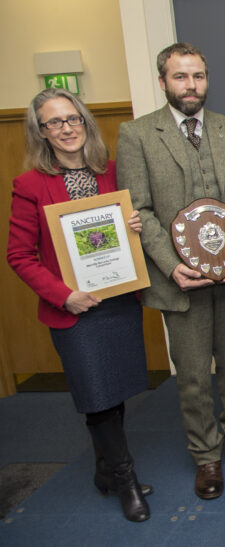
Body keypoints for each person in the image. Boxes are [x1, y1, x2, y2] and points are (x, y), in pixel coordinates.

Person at [117, 42, 225, 501]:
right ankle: (206, 455)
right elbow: (140, 210)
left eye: (198, 76)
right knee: (192, 375)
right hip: (180, 284)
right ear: (163, 81)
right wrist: (172, 268)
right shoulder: (137, 135)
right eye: (180, 77)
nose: (191, 86)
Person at [8, 88, 151, 522]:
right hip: (75, 310)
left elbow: (126, 227)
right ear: (41, 132)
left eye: (73, 119)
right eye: (54, 122)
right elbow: (19, 256)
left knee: (114, 392)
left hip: (118, 301)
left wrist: (134, 223)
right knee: (97, 397)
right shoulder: (30, 185)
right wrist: (62, 295)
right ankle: (125, 480)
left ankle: (105, 471)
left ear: (85, 123)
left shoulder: (110, 172)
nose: (66, 129)